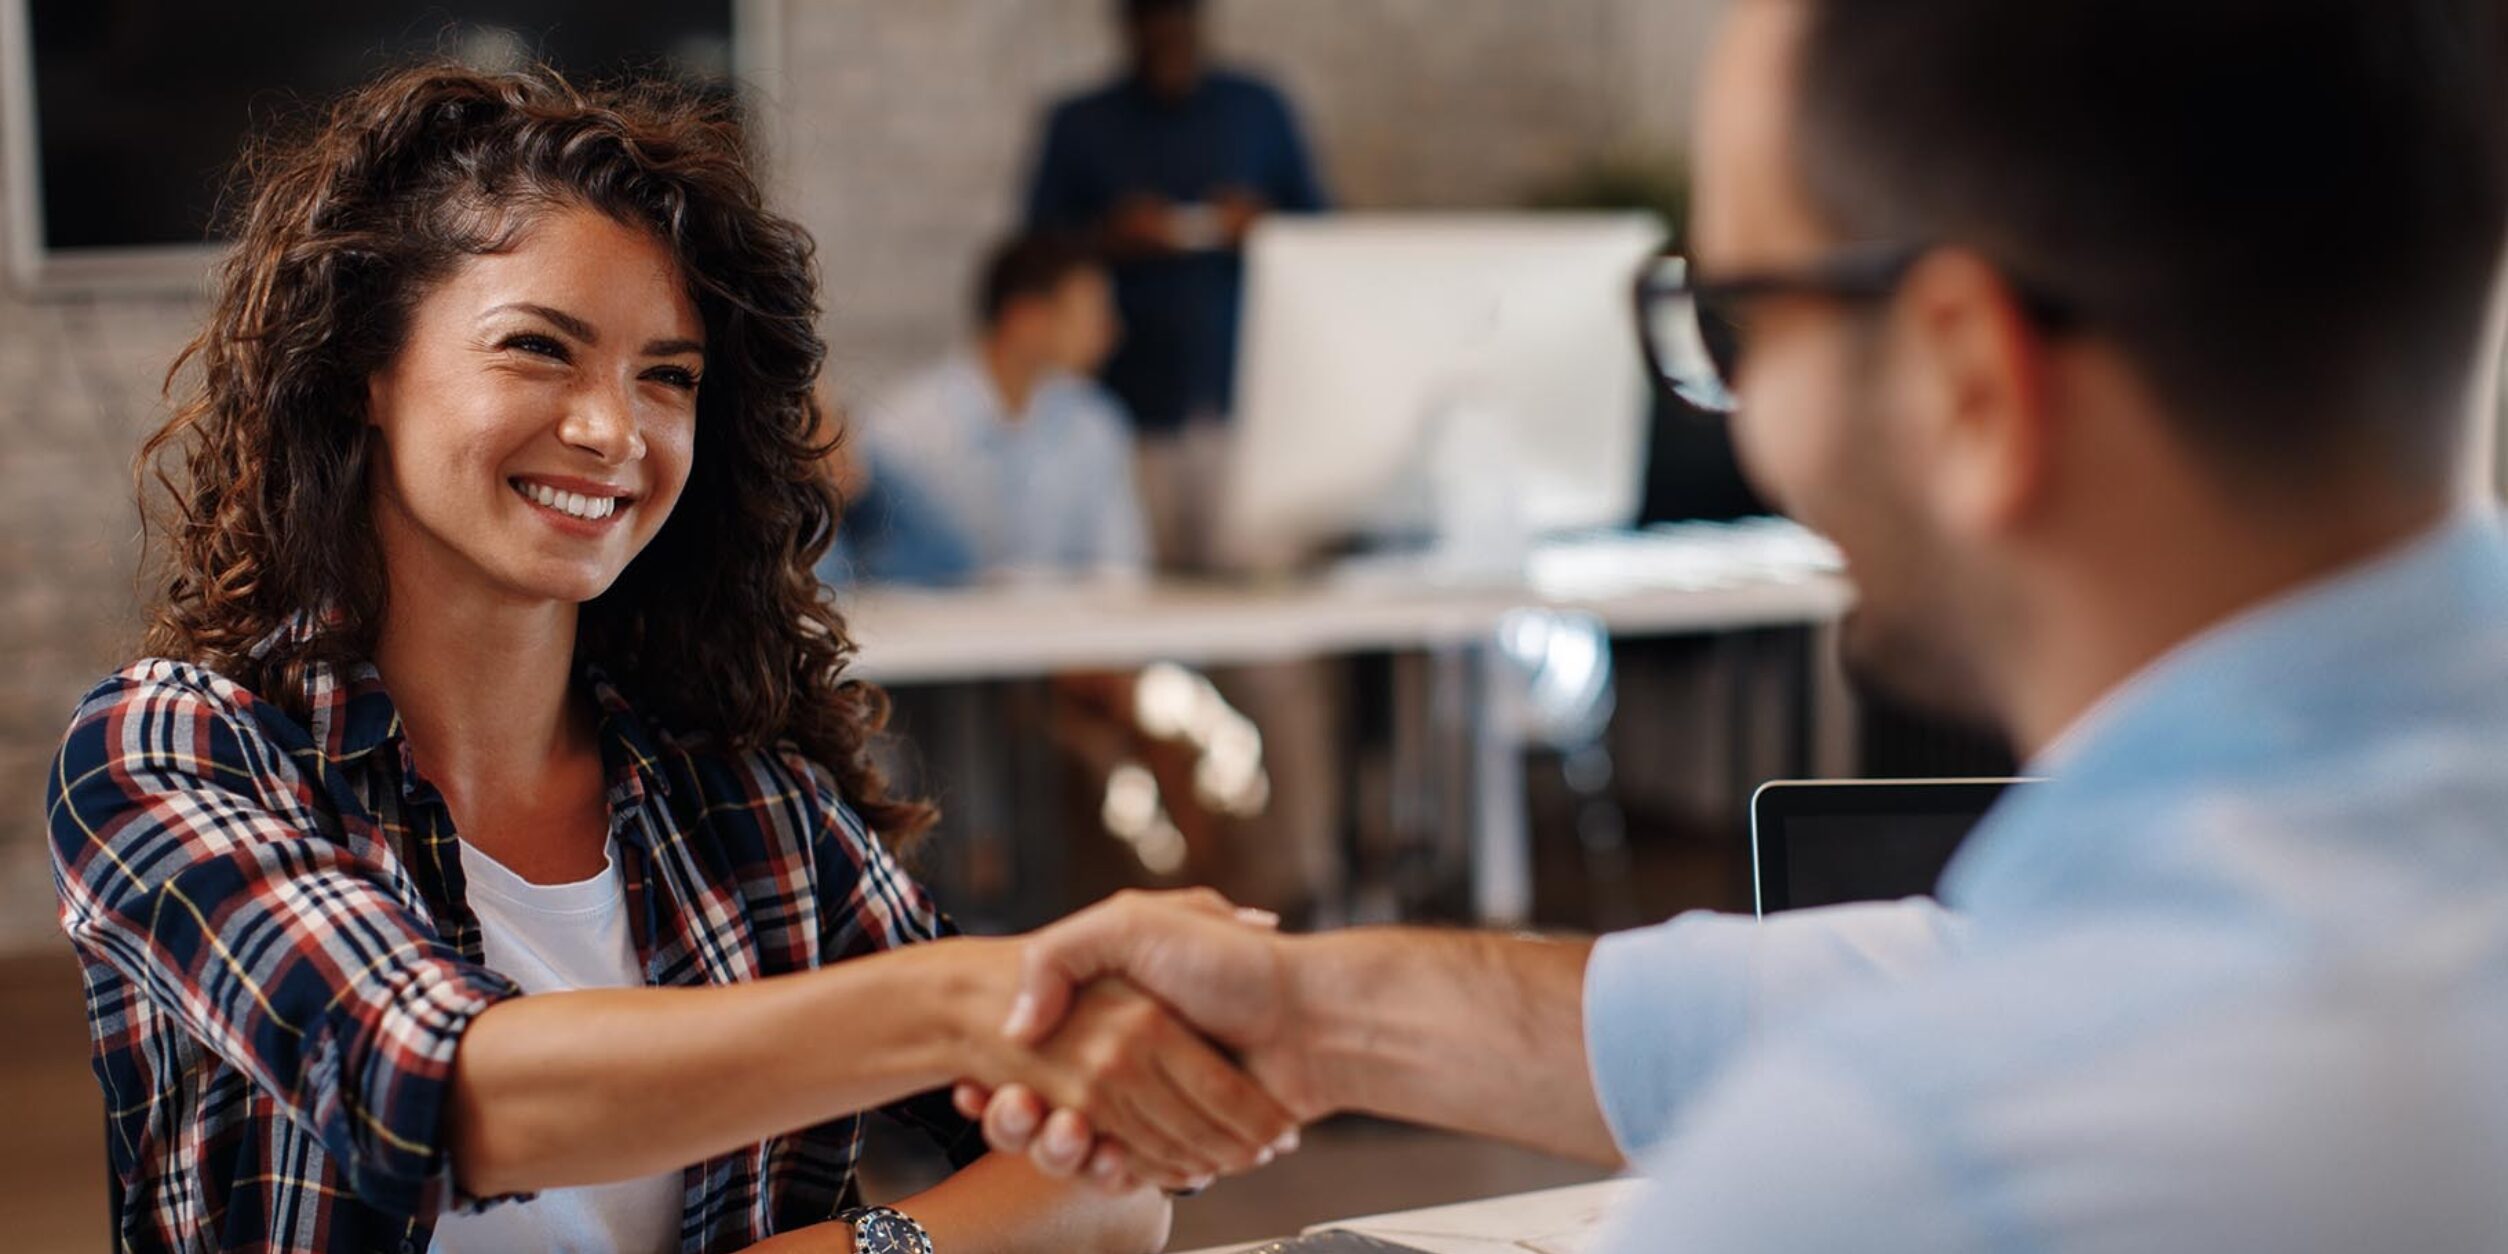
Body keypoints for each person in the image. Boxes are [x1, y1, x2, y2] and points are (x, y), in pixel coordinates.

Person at [967, 0, 2508, 1248]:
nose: (1740, 405)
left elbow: (1964, 1049)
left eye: (1740, 320)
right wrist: (1319, 1015)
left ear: (1967, 382)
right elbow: (1961, 970)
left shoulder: (1909, 1168)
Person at [43, 64, 1296, 1254]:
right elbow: (430, 1092)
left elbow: (1118, 1175)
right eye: (539, 346)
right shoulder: (173, 752)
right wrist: (980, 1003)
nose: (613, 430)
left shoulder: (747, 805)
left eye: (668, 377)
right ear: (367, 368)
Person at [1022, 0, 1327, 569]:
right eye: (1152, 23)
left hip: (1244, 400)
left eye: (1178, 22)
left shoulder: (1257, 108)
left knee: (1263, 613)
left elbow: (1323, 233)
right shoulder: (1082, 123)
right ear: (1128, 26)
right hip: (1127, 407)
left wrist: (1265, 226)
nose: (1167, 37)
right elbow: (1034, 253)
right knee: (1140, 599)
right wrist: (1110, 235)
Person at [843, 233, 1148, 585]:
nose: (1110, 333)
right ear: (1024, 317)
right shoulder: (904, 427)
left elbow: (1119, 572)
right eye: (1092, 315)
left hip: (1069, 634)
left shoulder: (1096, 424)